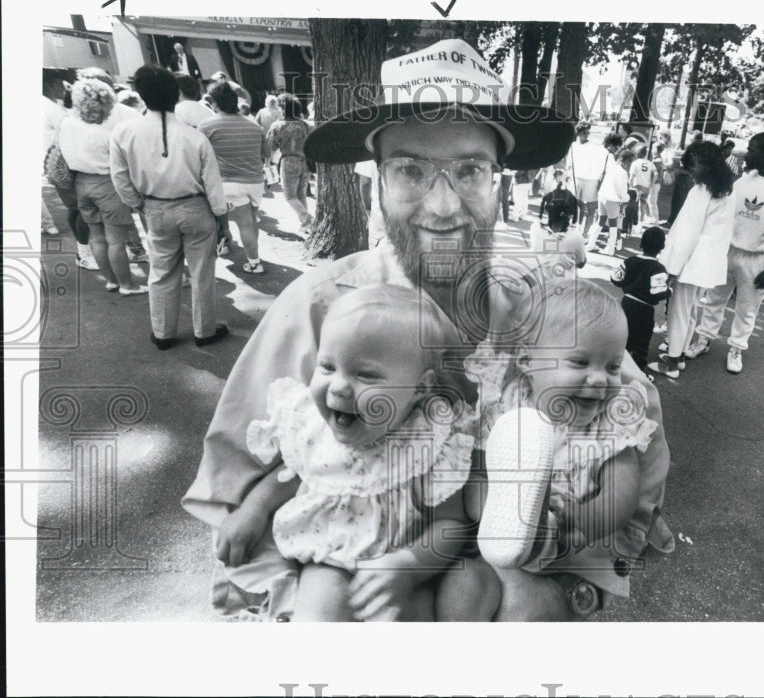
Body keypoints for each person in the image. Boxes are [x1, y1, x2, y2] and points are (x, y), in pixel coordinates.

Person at [182, 37, 668, 622]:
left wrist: (561, 580)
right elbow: (239, 497)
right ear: (376, 182)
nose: (442, 206)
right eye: (410, 169)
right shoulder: (319, 309)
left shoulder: (550, 312)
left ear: (499, 184)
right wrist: (332, 602)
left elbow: (632, 450)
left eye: (469, 170)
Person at [216, 284, 476, 621]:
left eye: (365, 374)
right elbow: (292, 475)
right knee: (319, 610)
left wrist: (408, 566)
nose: (338, 386)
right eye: (327, 367)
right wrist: (253, 510)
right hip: (331, 558)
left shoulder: (427, 442)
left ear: (420, 388)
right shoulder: (312, 427)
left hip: (403, 570)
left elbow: (450, 525)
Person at [439, 279, 665, 619]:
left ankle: (536, 533)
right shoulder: (506, 401)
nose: (600, 379)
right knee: (463, 587)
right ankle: (511, 525)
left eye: (613, 367)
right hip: (493, 537)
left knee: (533, 612)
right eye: (580, 362)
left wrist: (586, 522)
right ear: (529, 361)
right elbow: (480, 458)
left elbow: (625, 486)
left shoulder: (608, 423)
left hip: (563, 546)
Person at [109, 65, 230, 349]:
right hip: (197, 209)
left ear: (140, 94)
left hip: (156, 208)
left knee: (161, 272)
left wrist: (139, 204)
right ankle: (205, 331)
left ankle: (163, 333)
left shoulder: (123, 132)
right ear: (175, 94)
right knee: (202, 273)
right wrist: (222, 220)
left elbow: (120, 178)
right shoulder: (194, 136)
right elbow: (213, 184)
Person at [684, 132, 764, 374]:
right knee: (714, 298)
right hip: (728, 250)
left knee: (747, 307)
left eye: (751, 150)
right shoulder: (743, 181)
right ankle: (704, 338)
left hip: (758, 257)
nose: (746, 154)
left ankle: (737, 347)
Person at [651, 141, 735, 379]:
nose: (690, 171)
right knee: (689, 310)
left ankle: (672, 362)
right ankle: (681, 354)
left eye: (693, 166)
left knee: (678, 312)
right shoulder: (728, 189)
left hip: (691, 261)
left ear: (702, 164)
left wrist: (672, 267)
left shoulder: (701, 191)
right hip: (708, 263)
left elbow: (687, 234)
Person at [57, 78, 147, 295]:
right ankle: (127, 284)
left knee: (97, 237)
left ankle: (111, 281)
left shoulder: (66, 123)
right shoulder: (107, 136)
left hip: (80, 184)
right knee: (115, 240)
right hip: (107, 185)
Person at [198, 81, 270, 275]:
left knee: (242, 224)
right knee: (251, 222)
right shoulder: (254, 125)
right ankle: (253, 256)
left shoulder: (207, 125)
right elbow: (265, 153)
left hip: (228, 183)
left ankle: (254, 263)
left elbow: (198, 155)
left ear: (214, 103)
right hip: (255, 181)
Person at [43, 69, 98, 263]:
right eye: (60, 85)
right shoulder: (52, 109)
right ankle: (84, 253)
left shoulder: (44, 106)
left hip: (53, 165)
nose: (64, 89)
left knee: (74, 208)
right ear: (50, 85)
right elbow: (69, 135)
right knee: (84, 208)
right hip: (64, 165)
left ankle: (82, 251)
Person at [611, 226, 670, 374]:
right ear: (662, 247)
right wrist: (670, 290)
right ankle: (638, 373)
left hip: (627, 303)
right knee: (641, 343)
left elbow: (615, 278)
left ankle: (615, 367)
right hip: (645, 309)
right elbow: (658, 293)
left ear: (642, 243)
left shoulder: (631, 261)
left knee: (623, 336)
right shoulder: (658, 268)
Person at [266, 93, 313, 234]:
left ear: (284, 109)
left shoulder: (277, 126)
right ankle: (305, 224)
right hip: (305, 162)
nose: (278, 110)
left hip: (289, 162)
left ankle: (309, 219)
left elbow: (270, 147)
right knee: (301, 195)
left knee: (289, 196)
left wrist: (268, 163)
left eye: (280, 107)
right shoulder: (306, 125)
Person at [565, 121, 609, 238]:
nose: (587, 134)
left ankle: (584, 235)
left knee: (591, 208)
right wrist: (567, 176)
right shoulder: (573, 146)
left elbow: (604, 160)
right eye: (584, 132)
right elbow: (569, 164)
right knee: (573, 205)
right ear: (578, 133)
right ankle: (572, 230)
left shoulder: (595, 147)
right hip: (576, 179)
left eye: (588, 132)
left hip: (591, 180)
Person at [588, 146, 630, 253]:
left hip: (602, 196)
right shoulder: (623, 173)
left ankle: (591, 244)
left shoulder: (612, 168)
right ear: (622, 160)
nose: (629, 164)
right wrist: (626, 198)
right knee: (613, 224)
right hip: (613, 199)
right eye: (629, 162)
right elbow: (621, 189)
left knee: (600, 221)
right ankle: (610, 249)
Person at [355, 159, 386, 248]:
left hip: (380, 214)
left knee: (378, 257)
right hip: (407, 214)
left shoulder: (367, 152)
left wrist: (367, 208)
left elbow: (365, 183)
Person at [538, 168, 578, 233]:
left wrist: (540, 217)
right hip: (563, 215)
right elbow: (575, 204)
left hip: (554, 214)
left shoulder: (553, 192)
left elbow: (544, 201)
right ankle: (563, 228)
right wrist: (574, 221)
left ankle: (553, 225)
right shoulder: (569, 193)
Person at [666, 145, 696, 229]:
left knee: (680, 201)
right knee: (676, 200)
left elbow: (690, 171)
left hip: (685, 180)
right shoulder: (688, 156)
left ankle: (675, 221)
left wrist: (677, 170)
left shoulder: (692, 158)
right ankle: (672, 220)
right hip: (682, 179)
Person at [628, 147, 655, 225]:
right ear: (645, 154)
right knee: (642, 206)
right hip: (646, 187)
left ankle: (632, 223)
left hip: (636, 187)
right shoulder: (650, 164)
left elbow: (631, 177)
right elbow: (655, 175)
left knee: (632, 205)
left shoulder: (635, 163)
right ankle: (640, 223)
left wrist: (630, 185)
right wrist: (651, 185)